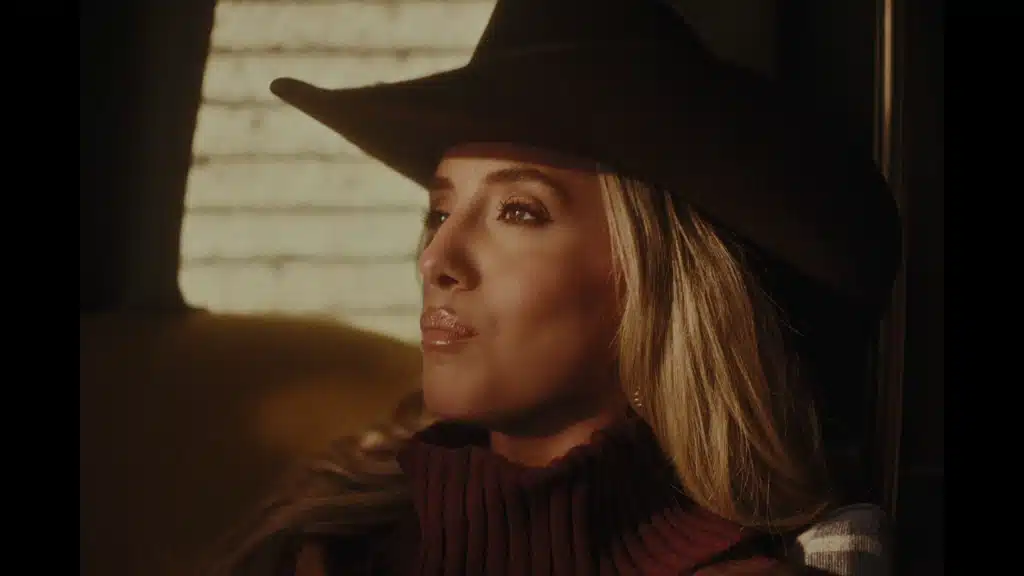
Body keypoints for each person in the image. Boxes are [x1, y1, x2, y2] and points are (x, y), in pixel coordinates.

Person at [208, 0, 902, 574]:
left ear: (651, 283)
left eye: (518, 212)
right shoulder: (323, 545)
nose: (437, 259)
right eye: (440, 212)